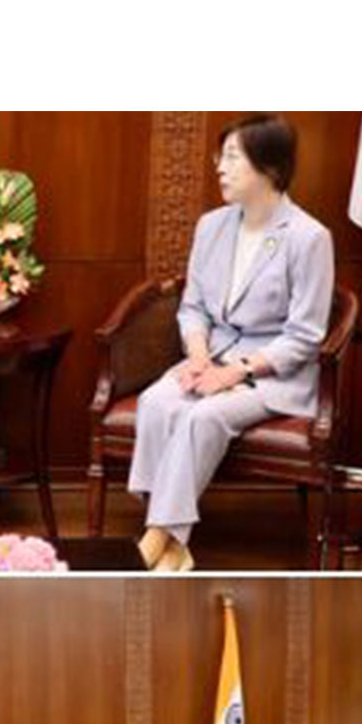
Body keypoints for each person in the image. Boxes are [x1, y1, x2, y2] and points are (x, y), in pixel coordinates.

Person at [128, 114, 335, 571]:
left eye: (232, 158)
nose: (219, 168)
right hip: (211, 356)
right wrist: (199, 356)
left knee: (204, 417)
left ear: (271, 169)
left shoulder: (309, 238)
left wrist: (236, 372)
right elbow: (193, 306)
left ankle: (156, 538)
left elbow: (305, 335)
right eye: (219, 157)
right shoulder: (211, 226)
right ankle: (173, 546)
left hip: (272, 377)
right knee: (156, 402)